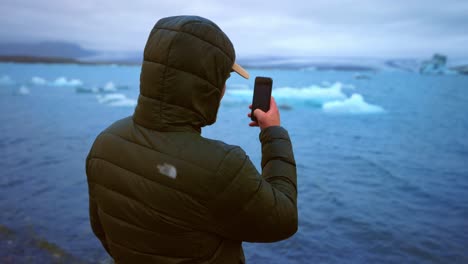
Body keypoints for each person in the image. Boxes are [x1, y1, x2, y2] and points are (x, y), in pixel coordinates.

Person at [86, 15, 297, 264]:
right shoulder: (222, 167)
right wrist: (273, 132)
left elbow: (102, 230)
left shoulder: (105, 143)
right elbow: (283, 220)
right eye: (223, 78)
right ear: (207, 86)